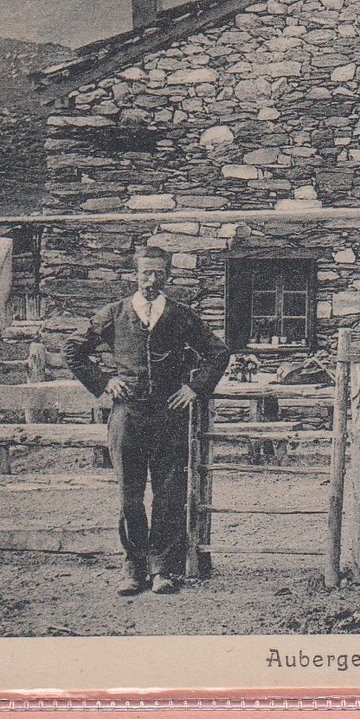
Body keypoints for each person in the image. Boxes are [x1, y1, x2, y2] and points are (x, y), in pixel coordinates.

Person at [64, 247, 230, 596]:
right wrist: (104, 381)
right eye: (145, 273)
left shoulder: (181, 315)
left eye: (157, 273)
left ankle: (163, 569)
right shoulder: (114, 314)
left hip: (170, 416)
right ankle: (133, 566)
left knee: (169, 494)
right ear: (135, 275)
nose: (151, 280)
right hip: (128, 416)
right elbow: (73, 351)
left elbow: (218, 353)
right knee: (130, 495)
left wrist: (195, 388)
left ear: (167, 274)